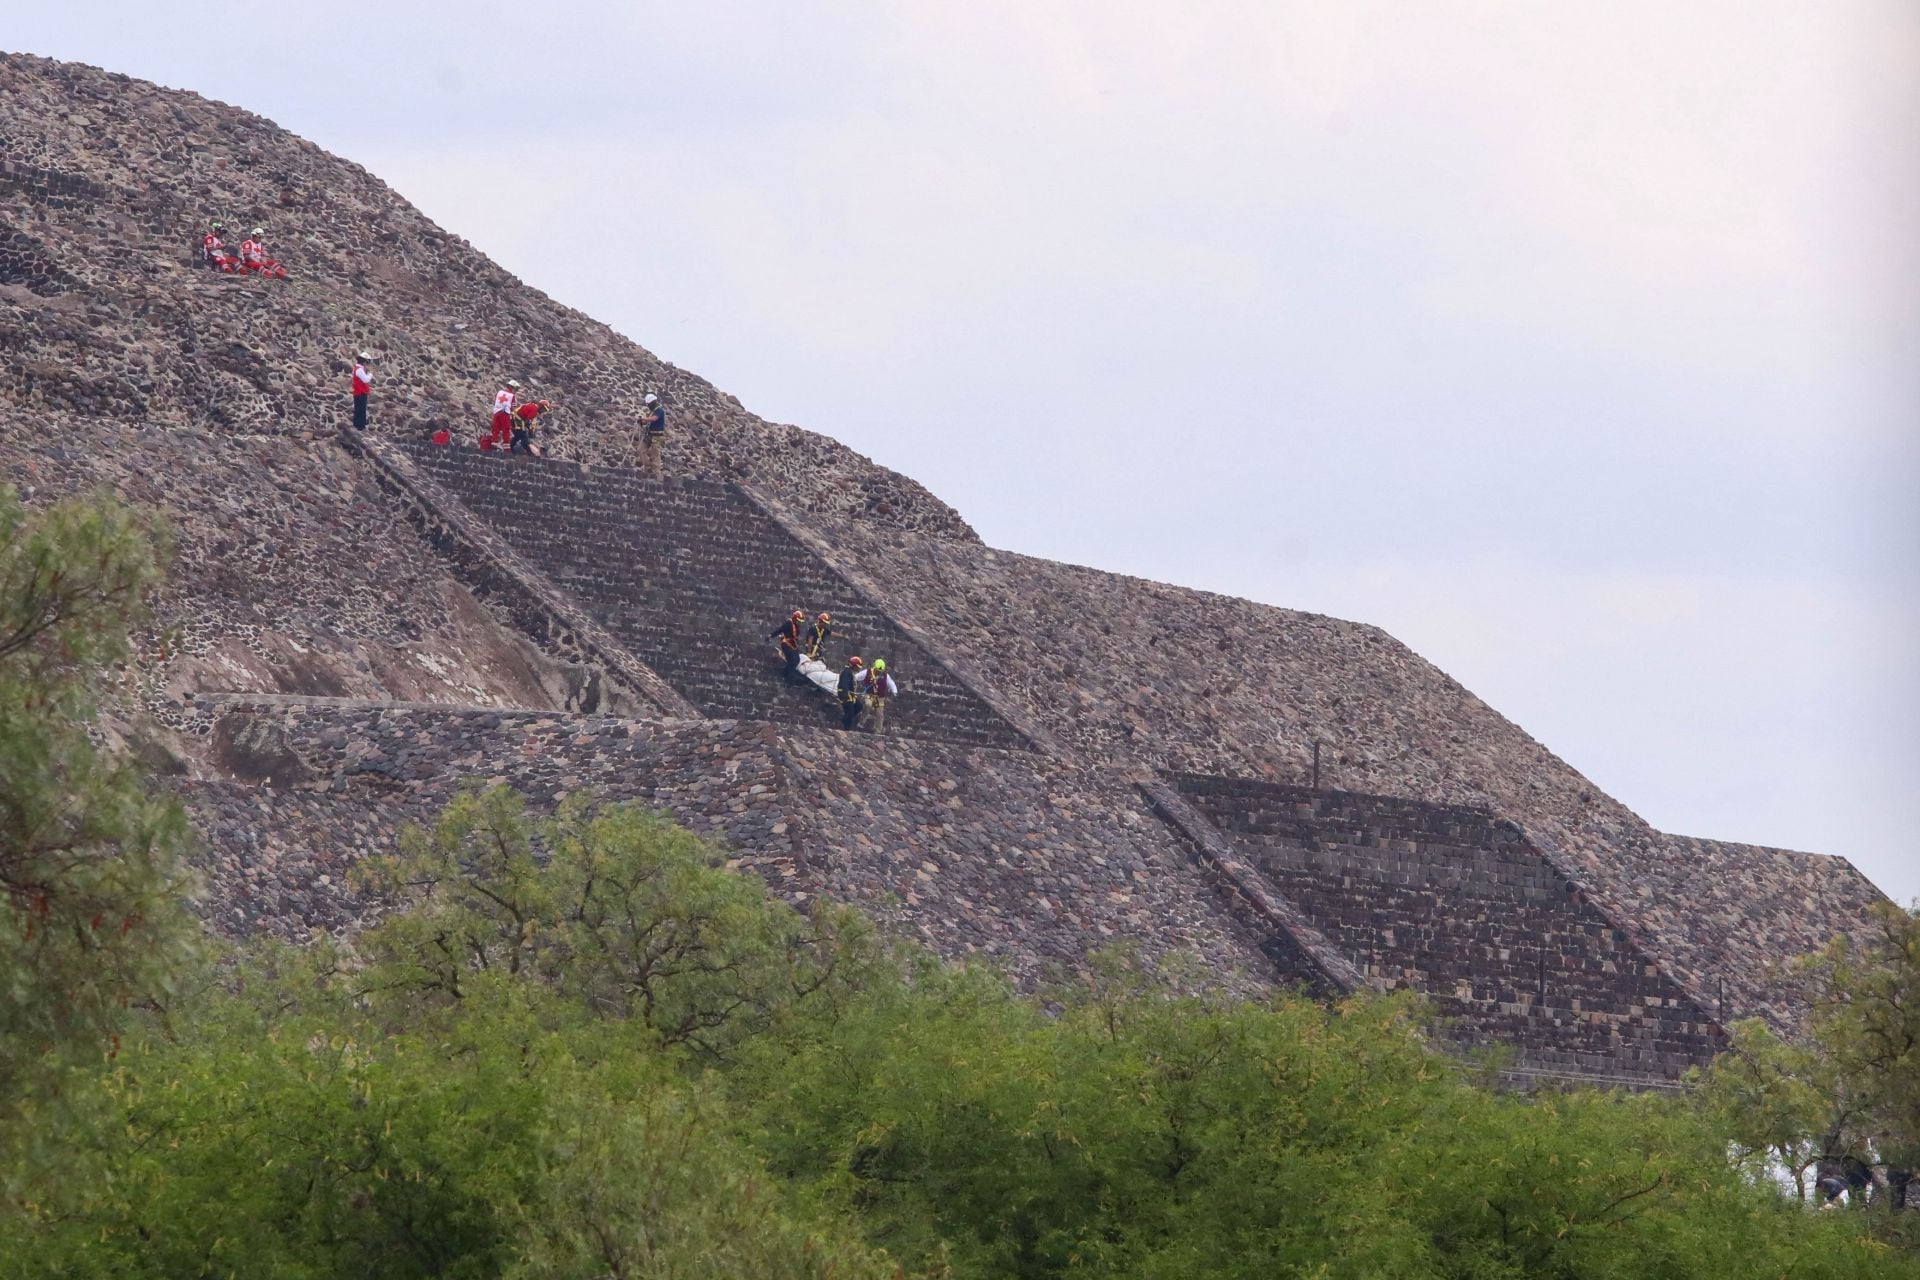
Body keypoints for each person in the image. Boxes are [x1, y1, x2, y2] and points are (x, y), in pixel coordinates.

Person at [859, 657, 897, 735]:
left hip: (879, 697)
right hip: (869, 694)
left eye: (881, 670)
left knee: (879, 713)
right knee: (868, 705)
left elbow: (891, 683)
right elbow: (857, 677)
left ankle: (877, 731)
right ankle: (862, 722)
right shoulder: (867, 672)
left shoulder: (886, 676)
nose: (879, 671)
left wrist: (894, 691)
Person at [770, 609, 806, 682]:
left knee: (797, 660)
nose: (799, 623)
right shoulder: (788, 624)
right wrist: (770, 635)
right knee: (793, 660)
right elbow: (780, 630)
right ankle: (789, 676)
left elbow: (795, 635)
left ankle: (785, 673)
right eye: (798, 621)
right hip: (786, 645)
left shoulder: (796, 625)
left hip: (793, 644)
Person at [486, 380, 520, 451]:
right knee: (506, 430)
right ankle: (507, 448)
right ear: (512, 388)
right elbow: (513, 408)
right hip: (505, 413)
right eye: (515, 389)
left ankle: (494, 443)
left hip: (496, 413)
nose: (515, 391)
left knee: (496, 429)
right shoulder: (512, 396)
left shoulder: (499, 392)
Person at [639, 392, 666, 477]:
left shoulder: (660, 411)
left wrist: (644, 419)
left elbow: (654, 419)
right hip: (648, 435)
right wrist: (641, 422)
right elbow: (648, 421)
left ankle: (657, 473)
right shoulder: (652, 412)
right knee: (641, 449)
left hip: (656, 437)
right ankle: (648, 466)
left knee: (655, 454)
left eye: (648, 404)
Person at [837, 655, 866, 730]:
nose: (858, 669)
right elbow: (844, 685)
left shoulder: (850, 672)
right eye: (857, 667)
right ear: (853, 665)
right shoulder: (847, 672)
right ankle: (846, 728)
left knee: (859, 706)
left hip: (851, 696)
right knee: (849, 712)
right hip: (846, 696)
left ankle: (844, 719)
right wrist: (845, 695)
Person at [350, 352, 372, 430]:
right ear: (364, 362)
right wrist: (370, 374)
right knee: (361, 410)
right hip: (360, 393)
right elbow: (365, 380)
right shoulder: (359, 370)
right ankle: (360, 426)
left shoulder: (357, 368)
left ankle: (358, 425)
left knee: (359, 409)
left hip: (358, 392)